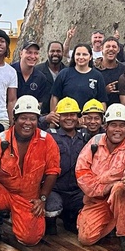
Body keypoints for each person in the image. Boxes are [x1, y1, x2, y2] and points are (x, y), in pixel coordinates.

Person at [0, 96, 61, 248]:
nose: (27, 123)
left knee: (30, 239)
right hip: (2, 191)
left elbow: (53, 171)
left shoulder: (47, 141)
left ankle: (21, 220)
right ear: (14, 119)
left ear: (38, 120)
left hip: (29, 197)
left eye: (32, 119)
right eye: (23, 118)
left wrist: (42, 198)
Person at [75, 104, 125, 251]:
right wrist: (103, 188)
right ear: (106, 126)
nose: (118, 130)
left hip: (122, 196)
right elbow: (81, 172)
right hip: (97, 198)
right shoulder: (94, 142)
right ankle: (113, 222)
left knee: (120, 188)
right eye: (113, 125)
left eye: (122, 126)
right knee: (85, 239)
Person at [46, 97, 90, 233]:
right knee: (51, 215)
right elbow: (30, 129)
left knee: (88, 206)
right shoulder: (50, 136)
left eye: (72, 115)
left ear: (78, 117)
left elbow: (104, 132)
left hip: (77, 191)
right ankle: (50, 220)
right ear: (58, 117)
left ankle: (69, 216)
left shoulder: (85, 136)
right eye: (65, 115)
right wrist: (45, 119)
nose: (69, 118)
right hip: (55, 189)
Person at [51, 43, 106, 112]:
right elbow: (55, 96)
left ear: (91, 57)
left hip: (88, 119)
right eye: (78, 54)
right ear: (73, 56)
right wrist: (53, 116)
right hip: (67, 117)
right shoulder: (64, 74)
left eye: (85, 54)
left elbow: (102, 101)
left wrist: (101, 118)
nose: (81, 57)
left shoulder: (97, 76)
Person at [12, 40, 52, 112]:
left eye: (36, 53)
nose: (33, 56)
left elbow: (39, 104)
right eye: (29, 52)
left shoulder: (41, 78)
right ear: (21, 54)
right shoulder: (10, 72)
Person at [96, 36, 125, 106]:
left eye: (114, 47)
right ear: (101, 48)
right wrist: (104, 91)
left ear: (118, 49)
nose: (111, 49)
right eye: (107, 46)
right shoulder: (94, 70)